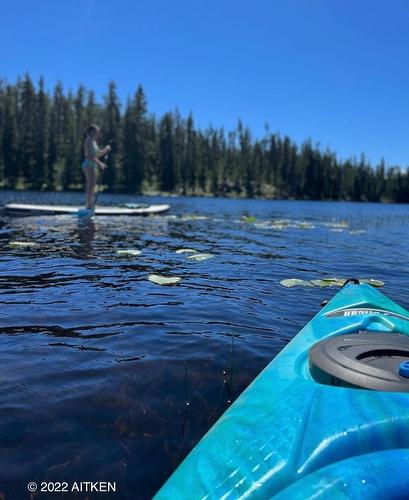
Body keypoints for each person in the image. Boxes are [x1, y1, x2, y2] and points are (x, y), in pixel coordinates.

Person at [82, 125, 111, 210]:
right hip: (88, 164)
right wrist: (100, 164)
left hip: (93, 164)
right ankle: (89, 205)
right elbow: (90, 156)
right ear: (91, 132)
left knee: (93, 185)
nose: (98, 134)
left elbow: (97, 154)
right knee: (90, 185)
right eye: (96, 132)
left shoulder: (94, 142)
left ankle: (91, 204)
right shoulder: (88, 141)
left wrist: (105, 150)